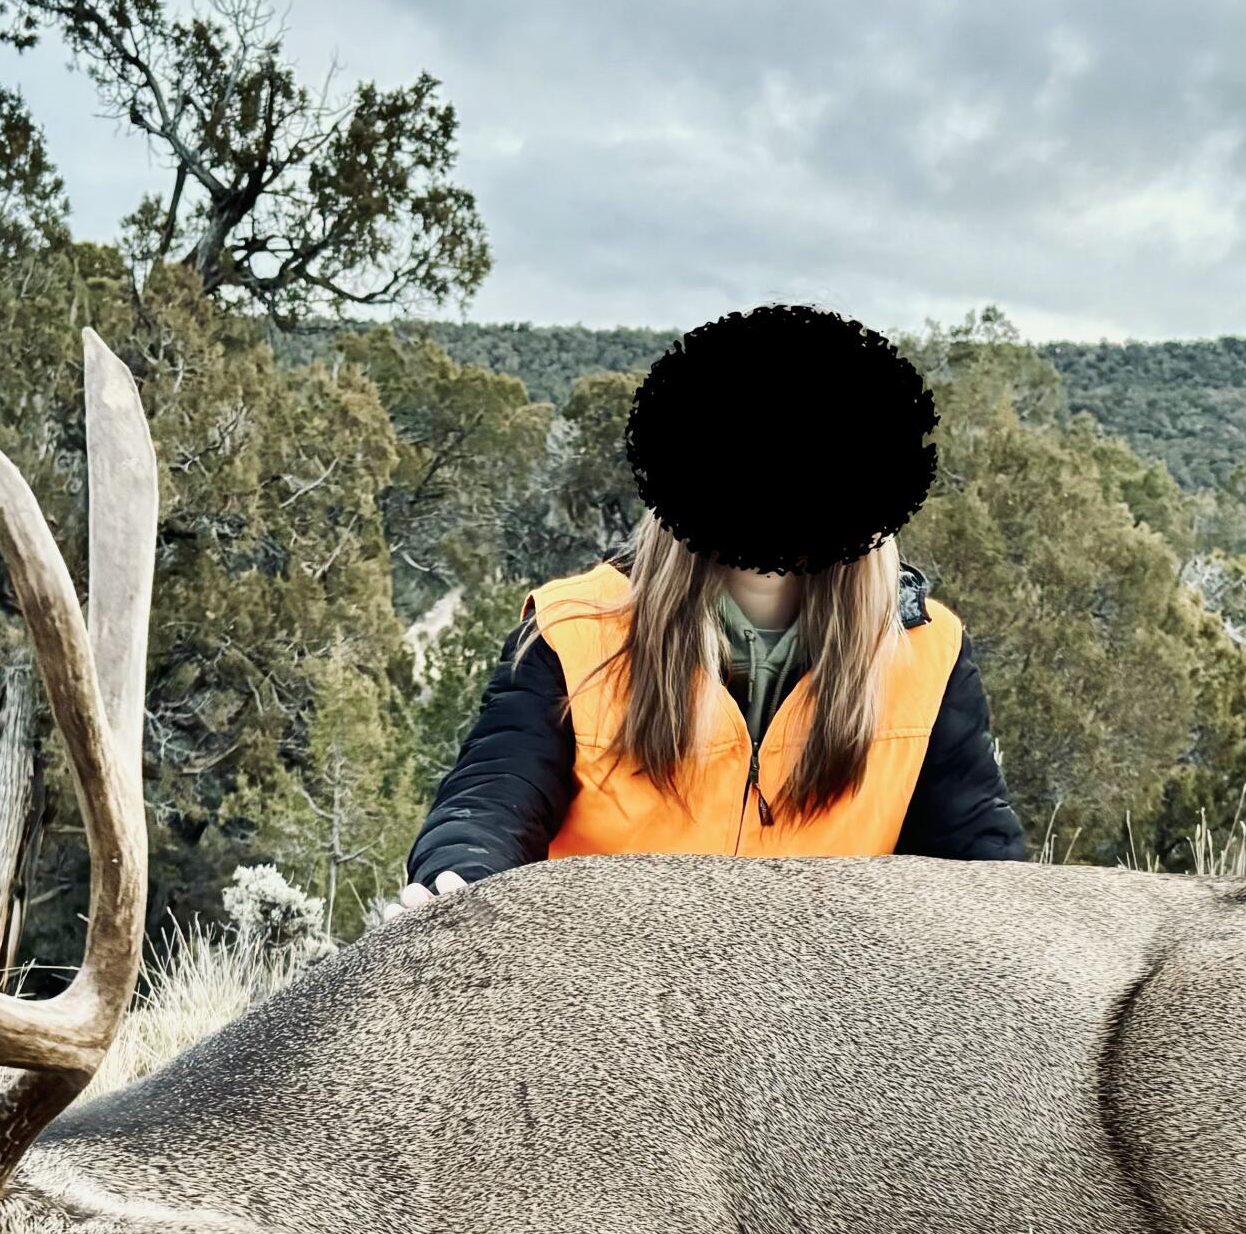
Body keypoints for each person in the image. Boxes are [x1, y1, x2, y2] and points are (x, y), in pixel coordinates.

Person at [398, 304, 1026, 908]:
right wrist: (460, 877)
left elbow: (977, 862)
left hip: (817, 1006)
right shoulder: (572, 630)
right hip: (600, 992)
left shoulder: (930, 653)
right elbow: (491, 798)